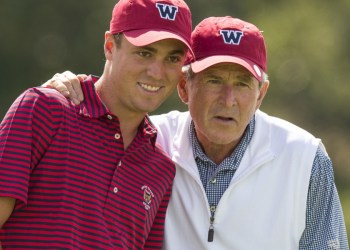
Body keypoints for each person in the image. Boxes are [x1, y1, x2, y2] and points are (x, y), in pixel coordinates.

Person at [42, 16, 348, 249]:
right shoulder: (148, 139)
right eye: (214, 80)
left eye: (242, 84)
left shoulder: (304, 156)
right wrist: (71, 87)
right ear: (185, 87)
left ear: (261, 94)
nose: (228, 99)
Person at [0, 0, 194, 249]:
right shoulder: (45, 109)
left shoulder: (161, 168)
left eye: (172, 58)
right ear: (110, 46)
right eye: (145, 53)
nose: (157, 72)